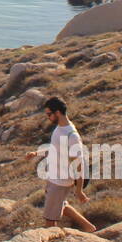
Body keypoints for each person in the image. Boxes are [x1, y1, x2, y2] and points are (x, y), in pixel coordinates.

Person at [24, 96, 96, 232]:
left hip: (60, 181)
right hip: (54, 177)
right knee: (61, 204)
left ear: (57, 113)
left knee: (50, 221)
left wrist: (79, 190)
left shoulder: (72, 136)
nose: (47, 117)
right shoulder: (59, 129)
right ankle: (89, 227)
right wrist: (36, 153)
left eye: (49, 114)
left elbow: (78, 165)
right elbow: (55, 149)